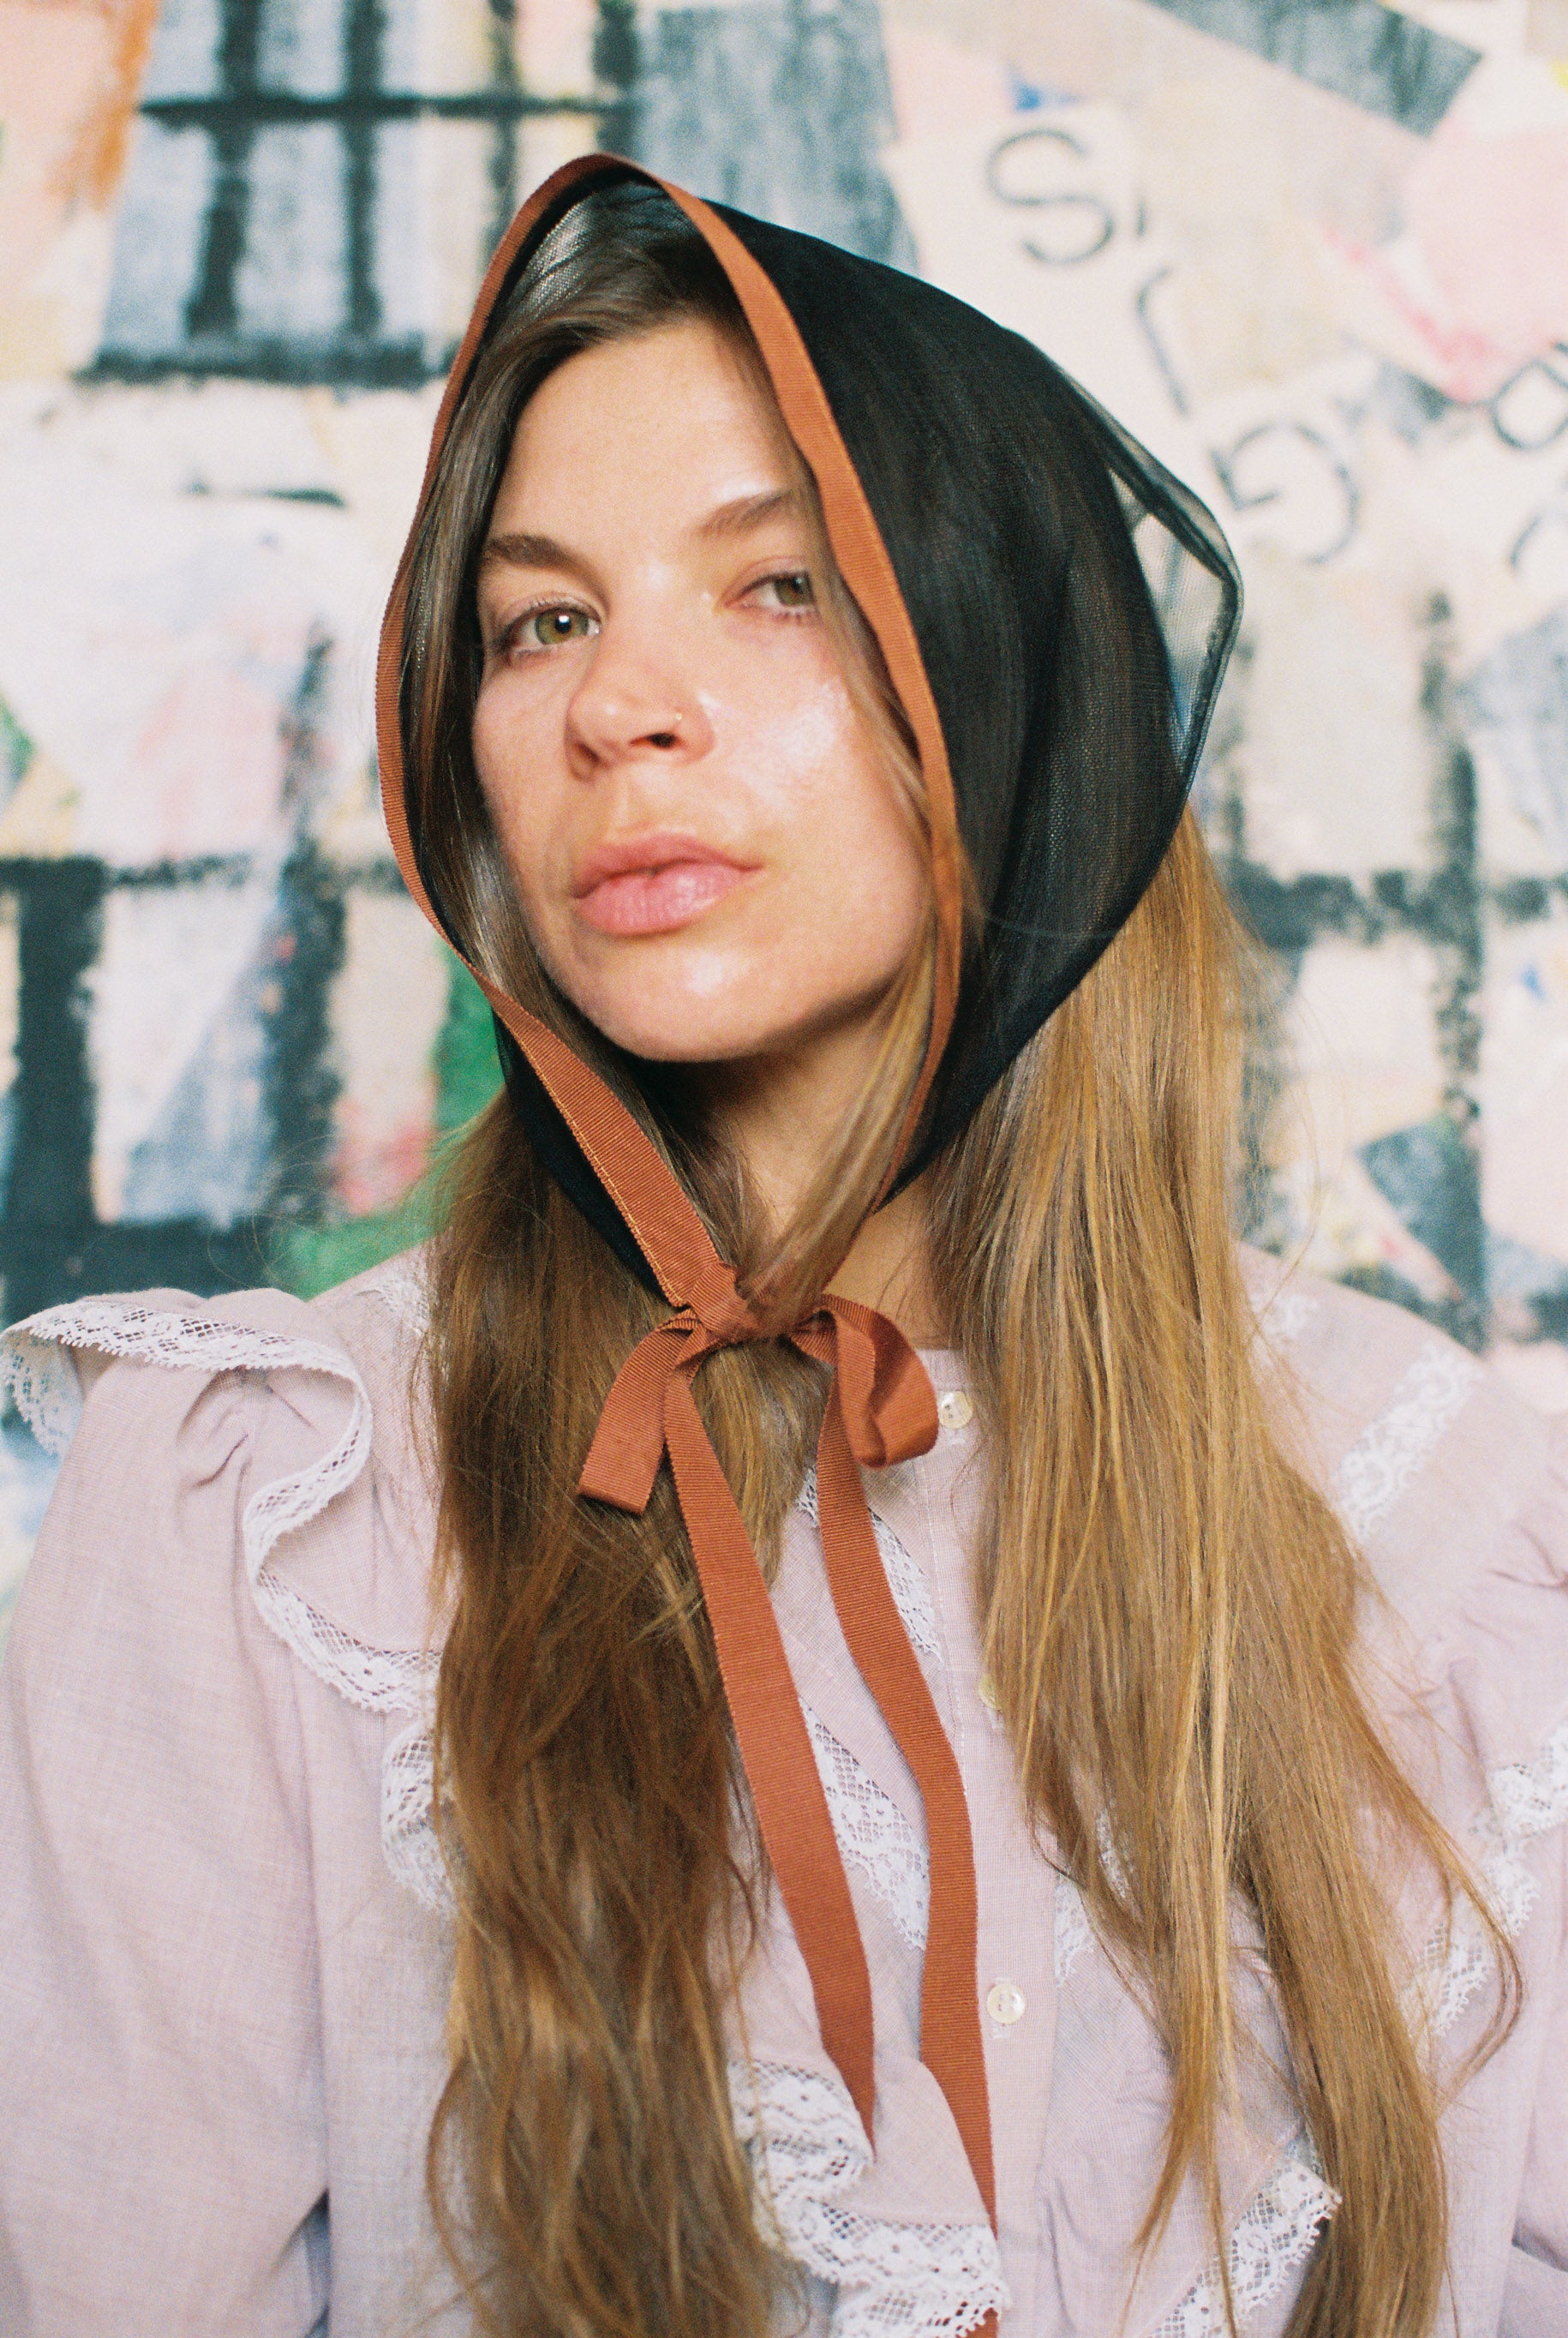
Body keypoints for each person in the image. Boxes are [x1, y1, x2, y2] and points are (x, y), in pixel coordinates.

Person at [0, 157, 1564, 2338]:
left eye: (780, 585)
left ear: (1014, 696)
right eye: (541, 618)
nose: (615, 704)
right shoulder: (271, 1515)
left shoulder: (1452, 1528)